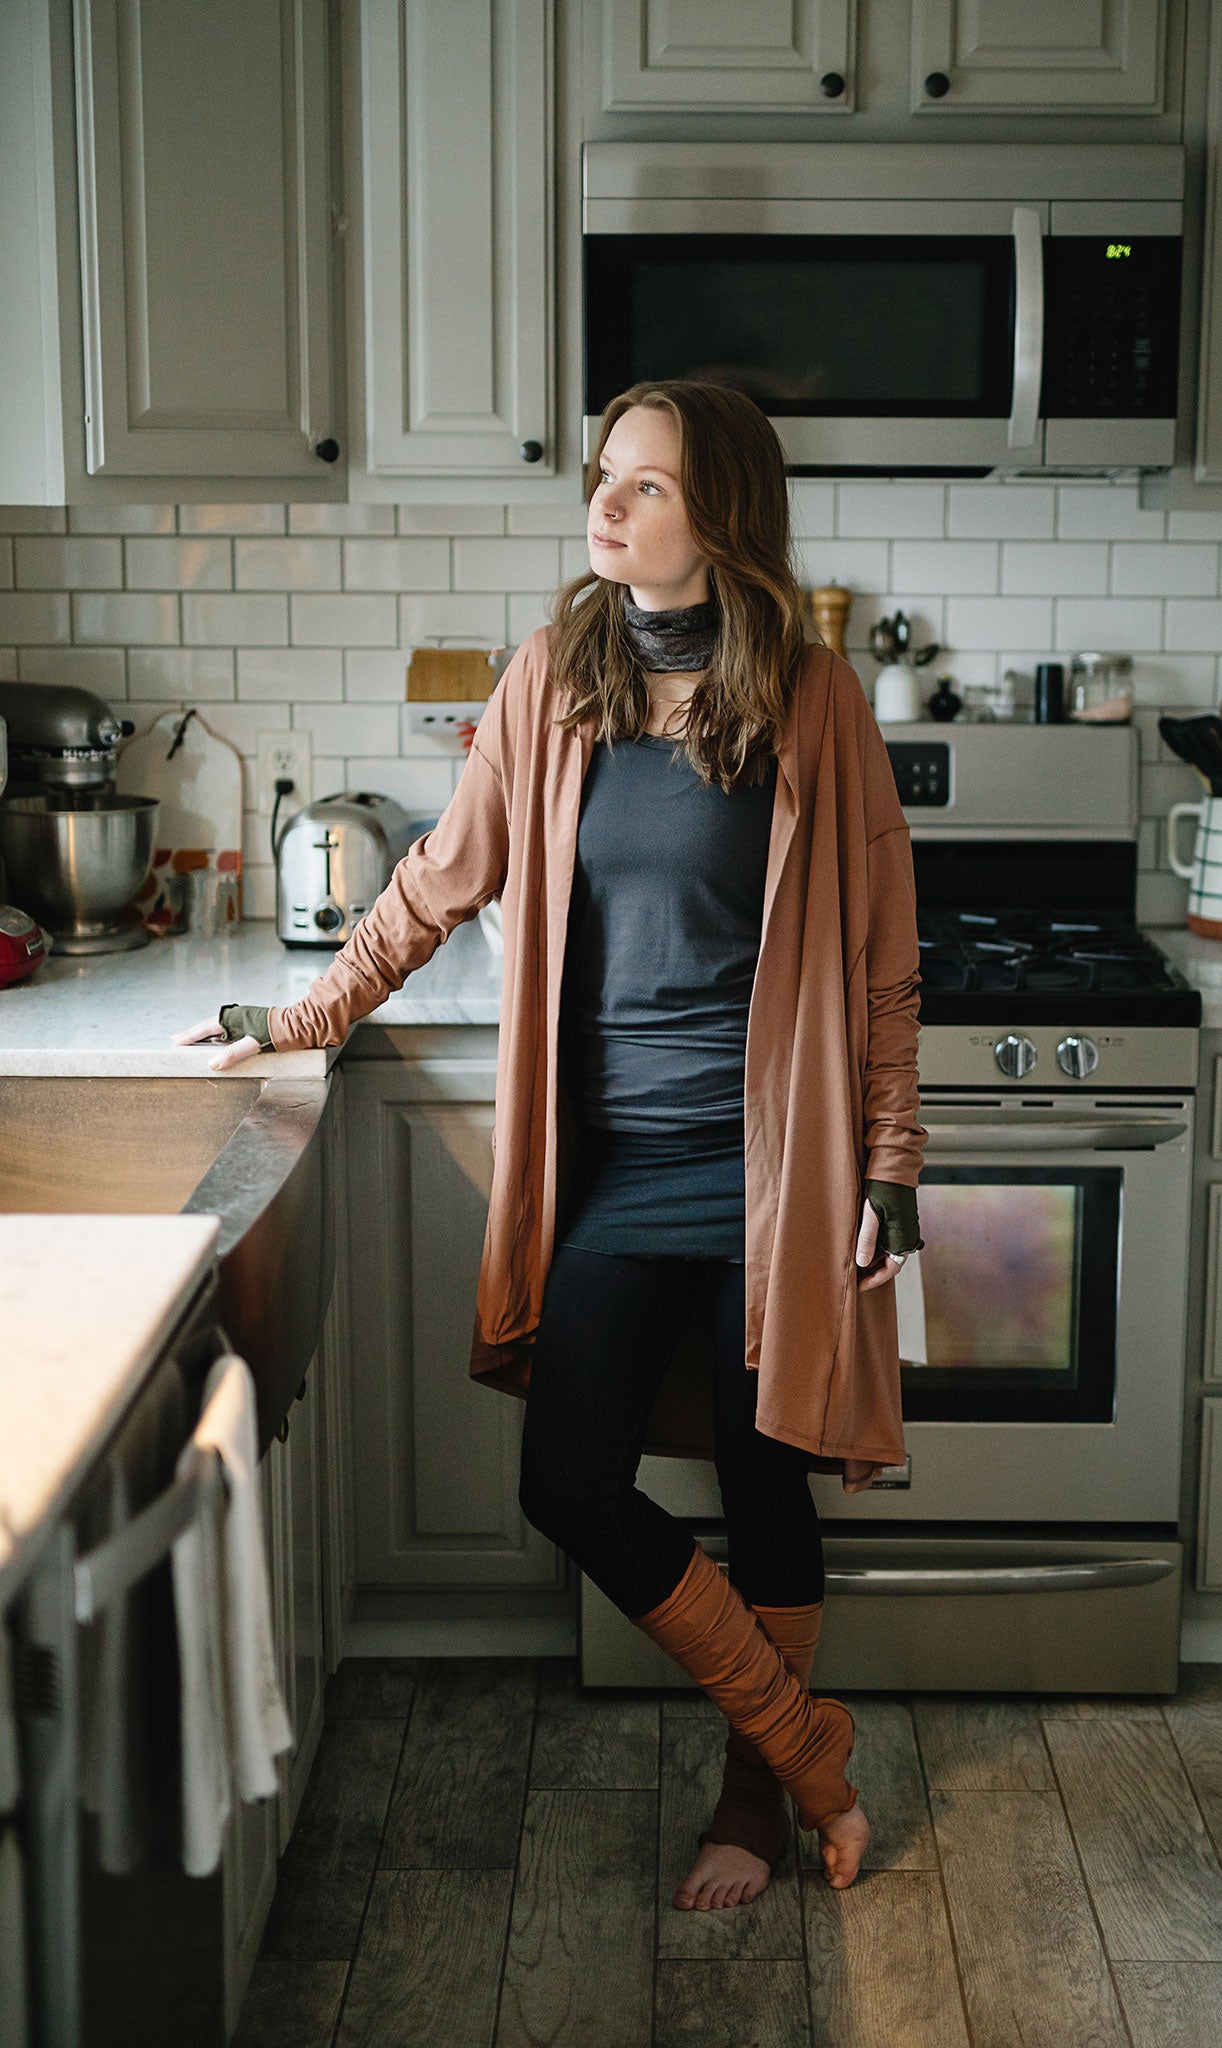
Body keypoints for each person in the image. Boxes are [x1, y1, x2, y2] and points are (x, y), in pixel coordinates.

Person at [175, 378, 926, 1911]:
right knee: (570, 1480)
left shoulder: (811, 697)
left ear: (717, 515)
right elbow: (434, 883)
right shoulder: (550, 677)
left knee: (763, 1489)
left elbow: (880, 954)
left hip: (769, 1176)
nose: (606, 504)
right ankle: (808, 1747)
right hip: (613, 1168)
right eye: (602, 476)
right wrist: (305, 1013)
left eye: (644, 486)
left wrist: (893, 1165)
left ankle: (757, 1800)